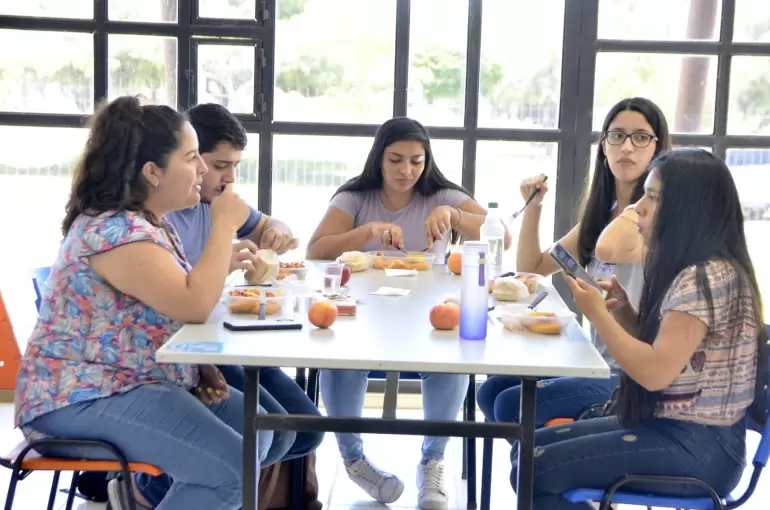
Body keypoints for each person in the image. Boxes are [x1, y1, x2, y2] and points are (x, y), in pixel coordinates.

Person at [13, 95, 270, 510]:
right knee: (232, 471)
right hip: (77, 398)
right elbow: (194, 305)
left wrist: (195, 367)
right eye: (192, 158)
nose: (203, 169)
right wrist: (224, 223)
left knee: (260, 429)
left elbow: (158, 310)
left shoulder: (148, 224)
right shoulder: (116, 231)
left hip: (130, 383)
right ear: (152, 172)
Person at [517, 147, 768, 509]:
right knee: (529, 456)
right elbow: (670, 356)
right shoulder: (702, 268)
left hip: (700, 446)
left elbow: (654, 374)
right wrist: (623, 314)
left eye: (652, 197)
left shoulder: (706, 277)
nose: (639, 208)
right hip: (684, 432)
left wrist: (598, 316)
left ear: (687, 209)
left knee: (534, 467)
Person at [306, 117, 511, 510]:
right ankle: (354, 460)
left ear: (427, 160)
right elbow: (316, 251)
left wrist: (456, 218)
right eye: (396, 160)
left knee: (455, 358)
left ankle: (433, 459)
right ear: (379, 159)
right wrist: (368, 231)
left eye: (416, 161)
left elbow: (502, 234)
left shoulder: (442, 195)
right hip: (364, 316)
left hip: (429, 316)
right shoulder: (355, 197)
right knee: (338, 360)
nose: (406, 171)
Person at [132, 103, 323, 508]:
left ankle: (202, 490)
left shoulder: (181, 212)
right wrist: (220, 253)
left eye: (234, 166)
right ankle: (150, 488)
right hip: (163, 362)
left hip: (200, 349)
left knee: (296, 431)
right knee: (259, 439)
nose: (223, 177)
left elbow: (263, 225)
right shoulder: (138, 225)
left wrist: (275, 234)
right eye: (215, 164)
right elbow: (186, 300)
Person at [477, 97, 672, 429]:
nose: (626, 147)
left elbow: (609, 249)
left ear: (658, 149)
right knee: (492, 389)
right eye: (616, 136)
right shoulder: (605, 215)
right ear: (603, 147)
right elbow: (533, 267)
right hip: (595, 359)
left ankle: (549, 461)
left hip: (631, 371)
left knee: (511, 404)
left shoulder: (657, 218)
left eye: (640, 137)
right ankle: (543, 458)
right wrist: (535, 206)